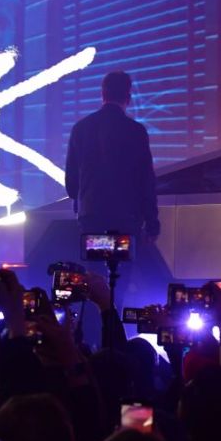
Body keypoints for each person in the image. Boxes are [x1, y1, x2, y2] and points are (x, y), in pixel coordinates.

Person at [65, 71, 169, 308]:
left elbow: (72, 181)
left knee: (92, 283)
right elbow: (146, 180)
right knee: (118, 285)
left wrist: (82, 201)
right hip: (125, 220)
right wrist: (151, 222)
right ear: (128, 97)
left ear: (102, 94)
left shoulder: (80, 129)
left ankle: (91, 340)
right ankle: (114, 336)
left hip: (91, 218)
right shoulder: (136, 131)